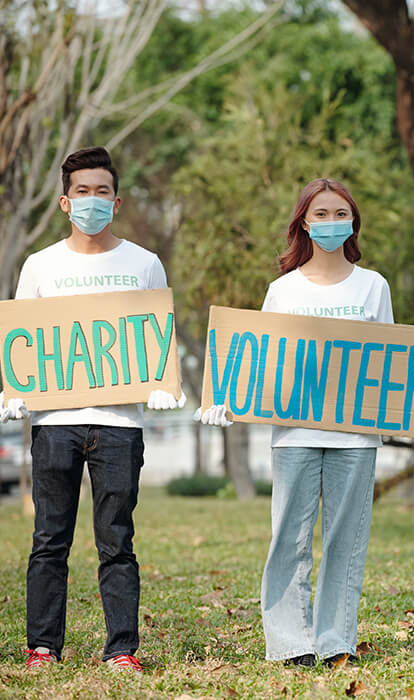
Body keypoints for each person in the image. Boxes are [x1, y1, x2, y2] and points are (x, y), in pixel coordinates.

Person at [197, 178, 414, 668]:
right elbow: (262, 360)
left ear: (352, 221)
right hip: (292, 436)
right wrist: (227, 396)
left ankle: (336, 641)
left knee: (345, 541)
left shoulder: (373, 285)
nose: (330, 223)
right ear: (303, 223)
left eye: (340, 214)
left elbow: (388, 364)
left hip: (355, 438)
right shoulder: (282, 289)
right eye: (321, 214)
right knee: (288, 538)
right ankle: (291, 644)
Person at [2, 147, 186, 672]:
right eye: (81, 192)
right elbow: (23, 344)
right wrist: (16, 391)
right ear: (65, 201)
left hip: (120, 425)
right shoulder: (40, 266)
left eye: (101, 191)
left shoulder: (144, 264)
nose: (91, 201)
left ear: (117, 200)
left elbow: (158, 342)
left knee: (118, 541)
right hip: (54, 424)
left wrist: (162, 385)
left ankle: (122, 650)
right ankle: (43, 647)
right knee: (48, 541)